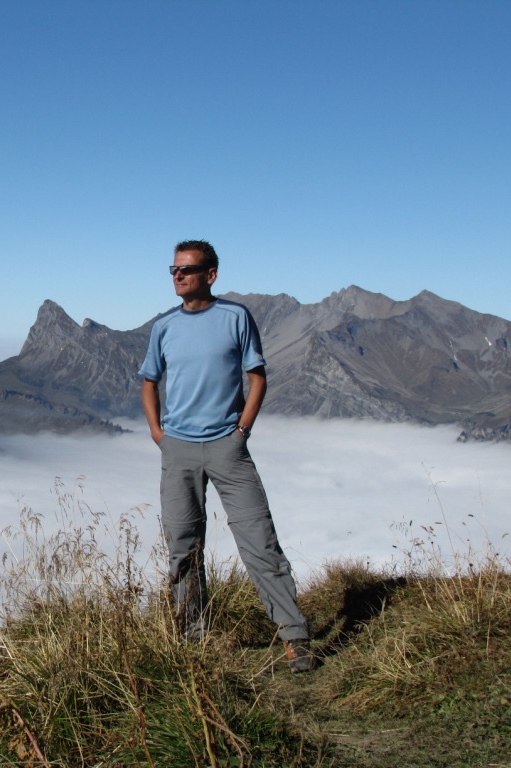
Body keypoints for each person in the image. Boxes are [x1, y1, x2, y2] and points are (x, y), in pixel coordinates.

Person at [138, 239, 314, 672]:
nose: (178, 276)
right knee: (183, 547)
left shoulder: (235, 317)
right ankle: (193, 641)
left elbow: (257, 377)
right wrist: (159, 434)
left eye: (187, 269)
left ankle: (294, 636)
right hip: (178, 449)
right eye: (174, 269)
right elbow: (149, 381)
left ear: (211, 274)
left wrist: (241, 431)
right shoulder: (164, 327)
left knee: (259, 540)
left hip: (227, 447)